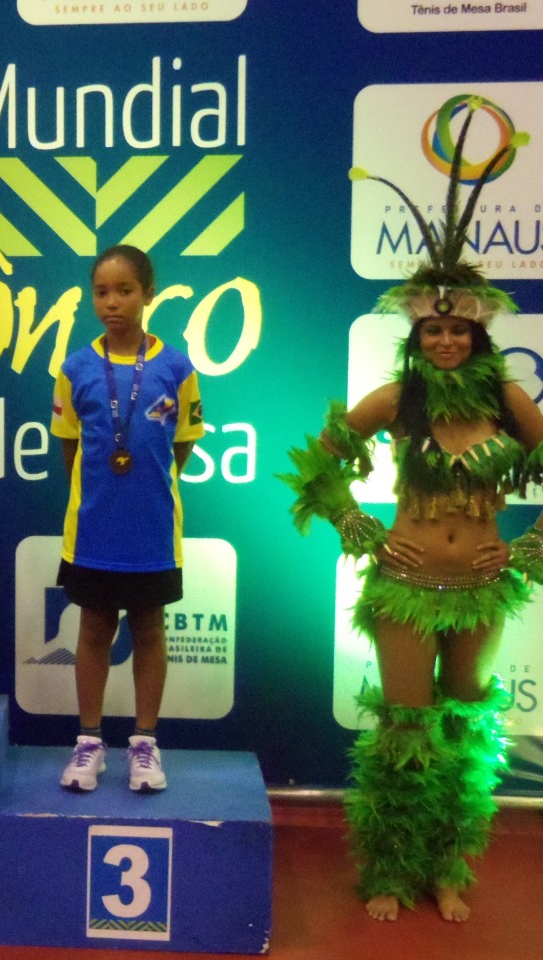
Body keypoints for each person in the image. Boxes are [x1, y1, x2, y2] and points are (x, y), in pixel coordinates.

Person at [282, 112, 543, 922]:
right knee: (405, 729)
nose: (445, 341)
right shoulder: (395, 400)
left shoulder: (509, 402)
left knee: (464, 727)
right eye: (432, 329)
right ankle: (392, 871)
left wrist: (530, 548)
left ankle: (448, 868)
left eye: (458, 329)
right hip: (405, 587)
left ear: (478, 333)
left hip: (481, 591)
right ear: (417, 334)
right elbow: (320, 464)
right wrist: (353, 525)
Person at [50, 245, 205, 793]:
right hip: (93, 530)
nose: (111, 302)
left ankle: (145, 744)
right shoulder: (75, 369)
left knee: (149, 629)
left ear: (148, 294)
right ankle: (89, 742)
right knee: (94, 629)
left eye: (124, 291)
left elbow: (181, 447)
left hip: (152, 532)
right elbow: (70, 451)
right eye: (101, 292)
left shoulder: (177, 367)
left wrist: (146, 484)